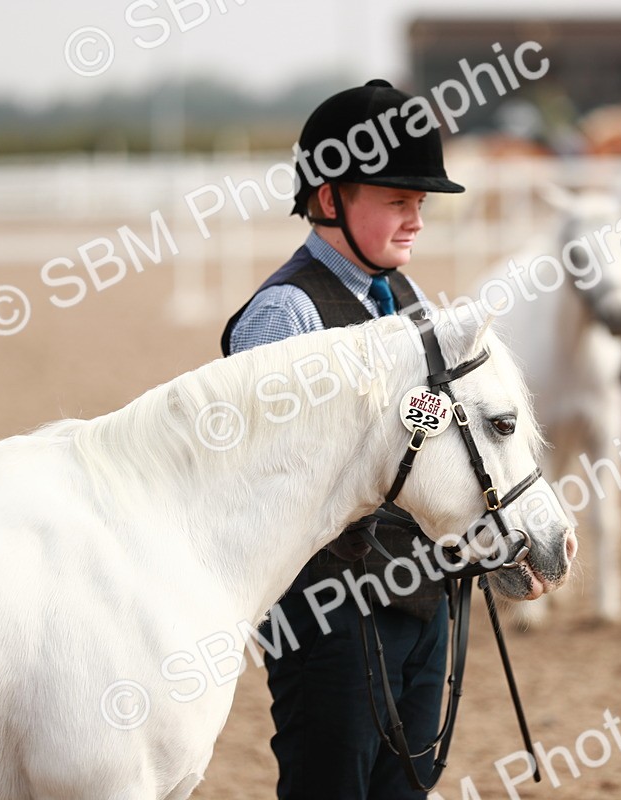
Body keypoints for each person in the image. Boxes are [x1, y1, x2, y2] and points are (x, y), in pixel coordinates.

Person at [220, 79, 465, 799]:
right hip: (330, 618)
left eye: (419, 204)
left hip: (422, 602)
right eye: (397, 201)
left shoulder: (410, 299)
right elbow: (269, 480)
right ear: (329, 199)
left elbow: (424, 429)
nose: (415, 220)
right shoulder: (283, 314)